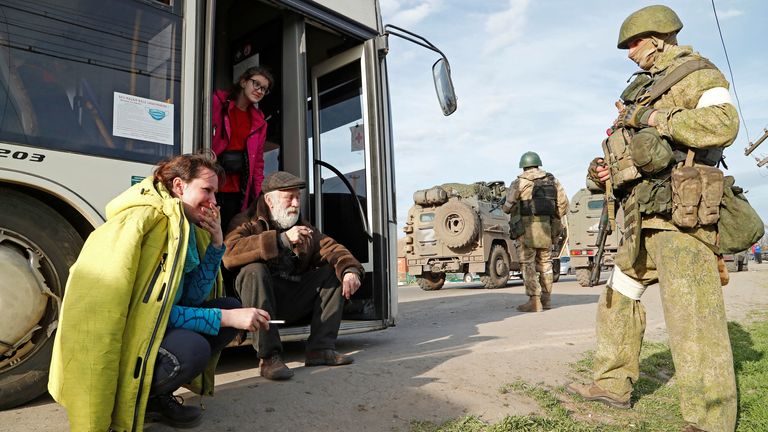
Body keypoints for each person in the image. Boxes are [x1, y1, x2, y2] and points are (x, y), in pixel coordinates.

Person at [566, 6, 739, 432]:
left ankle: (710, 420)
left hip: (681, 217)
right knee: (617, 299)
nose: (628, 53)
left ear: (658, 38)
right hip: (640, 217)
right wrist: (599, 172)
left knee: (693, 317)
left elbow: (724, 124)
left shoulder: (697, 74)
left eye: (633, 43)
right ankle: (613, 384)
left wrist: (656, 118)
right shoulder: (640, 91)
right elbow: (626, 150)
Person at [48, 154, 272, 431]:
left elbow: (189, 298)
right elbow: (147, 312)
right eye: (207, 190)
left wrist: (216, 246)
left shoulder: (187, 228)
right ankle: (132, 399)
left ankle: (154, 397)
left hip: (153, 328)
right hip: (130, 338)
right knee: (198, 345)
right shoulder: (147, 222)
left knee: (228, 304)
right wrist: (225, 318)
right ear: (179, 186)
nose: (214, 202)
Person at [223, 171, 363, 380]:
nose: (296, 203)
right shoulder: (246, 222)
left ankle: (320, 349)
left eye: (298, 197)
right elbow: (229, 253)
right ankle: (269, 358)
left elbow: (333, 249)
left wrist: (350, 270)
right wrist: (281, 240)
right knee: (254, 271)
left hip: (288, 299)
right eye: (289, 197)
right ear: (269, 200)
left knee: (333, 274)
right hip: (255, 303)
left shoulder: (304, 228)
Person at [502, 151, 568, 312]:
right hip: (547, 229)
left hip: (527, 230)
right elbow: (564, 205)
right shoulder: (553, 181)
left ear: (523, 166)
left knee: (528, 264)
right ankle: (547, 299)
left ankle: (534, 300)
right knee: (546, 264)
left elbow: (507, 207)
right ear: (538, 164)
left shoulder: (519, 183)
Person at [212, 65, 274, 231]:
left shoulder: (259, 122)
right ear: (243, 81)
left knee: (229, 234)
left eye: (264, 89)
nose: (260, 91)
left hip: (237, 190)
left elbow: (258, 163)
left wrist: (260, 195)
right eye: (256, 84)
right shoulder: (218, 103)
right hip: (211, 181)